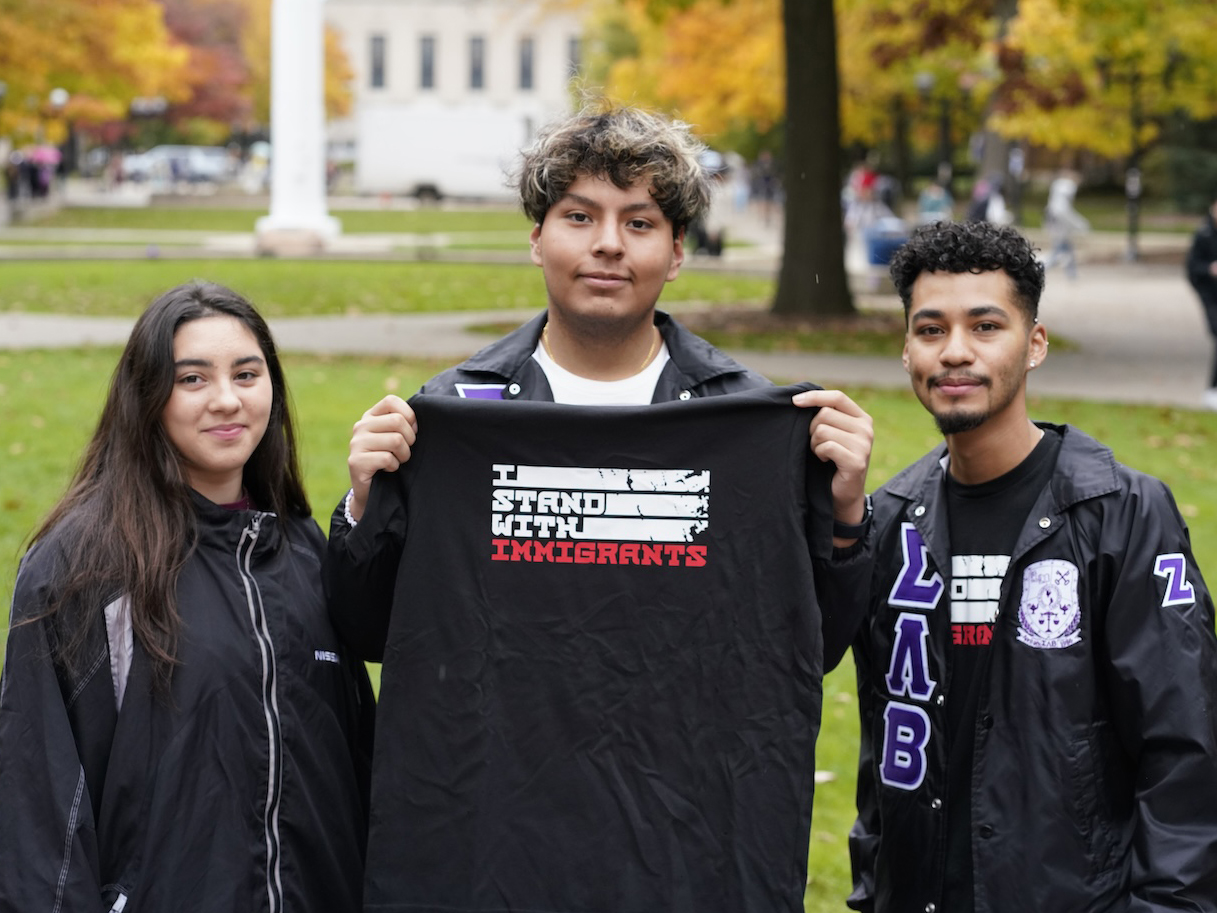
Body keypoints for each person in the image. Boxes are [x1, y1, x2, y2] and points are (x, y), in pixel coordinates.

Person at [326, 103, 874, 909]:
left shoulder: (749, 424)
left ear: (678, 250)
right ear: (537, 237)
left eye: (640, 221)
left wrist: (846, 514)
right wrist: (363, 503)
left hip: (686, 847)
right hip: (491, 848)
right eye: (579, 216)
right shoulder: (449, 417)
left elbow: (809, 645)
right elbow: (368, 631)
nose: (608, 244)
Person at [848, 220, 1217, 913]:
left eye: (985, 325)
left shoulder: (1121, 513)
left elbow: (1185, 754)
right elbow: (884, 736)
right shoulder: (889, 520)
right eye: (930, 330)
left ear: (1034, 342)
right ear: (905, 349)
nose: (954, 351)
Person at [0, 282, 374, 911]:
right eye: (193, 379)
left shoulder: (302, 546)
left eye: (246, 373)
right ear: (148, 398)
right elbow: (38, 808)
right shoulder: (83, 564)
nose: (227, 400)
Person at [1186, 193, 1217, 410]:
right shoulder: (1204, 234)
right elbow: (1192, 267)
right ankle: (1212, 390)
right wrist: (1209, 269)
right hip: (1211, 295)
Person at [1042, 171, 1089, 279]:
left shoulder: (1056, 199)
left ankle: (1072, 273)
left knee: (1067, 249)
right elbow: (1065, 213)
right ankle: (1042, 266)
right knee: (1059, 251)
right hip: (1059, 227)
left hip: (1056, 224)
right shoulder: (1062, 198)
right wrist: (1080, 224)